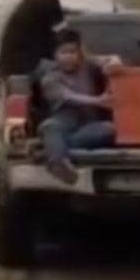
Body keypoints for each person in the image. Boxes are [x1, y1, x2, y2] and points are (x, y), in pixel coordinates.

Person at [36, 29, 116, 184]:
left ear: (79, 53)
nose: (68, 57)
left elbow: (108, 60)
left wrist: (114, 61)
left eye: (72, 52)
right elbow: (68, 96)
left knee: (110, 129)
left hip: (88, 125)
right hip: (64, 121)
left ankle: (54, 147)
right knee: (49, 126)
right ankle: (58, 163)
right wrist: (97, 101)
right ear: (55, 55)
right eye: (63, 52)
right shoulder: (50, 79)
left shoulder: (88, 66)